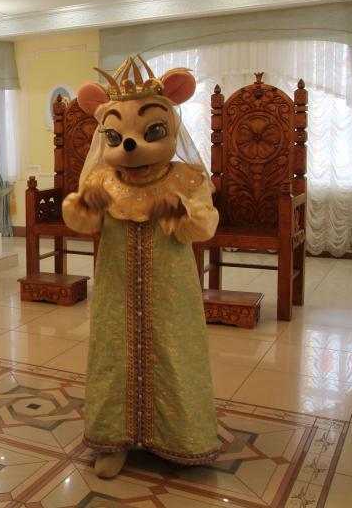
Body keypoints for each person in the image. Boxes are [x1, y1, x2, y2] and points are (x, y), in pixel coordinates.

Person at [63, 55, 221, 479]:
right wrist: (85, 206)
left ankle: (178, 438)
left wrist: (181, 210)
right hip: (116, 293)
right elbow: (81, 222)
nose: (129, 145)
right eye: (116, 136)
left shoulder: (185, 178)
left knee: (173, 354)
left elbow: (205, 224)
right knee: (114, 358)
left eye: (150, 132)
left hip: (171, 294)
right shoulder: (102, 179)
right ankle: (114, 439)